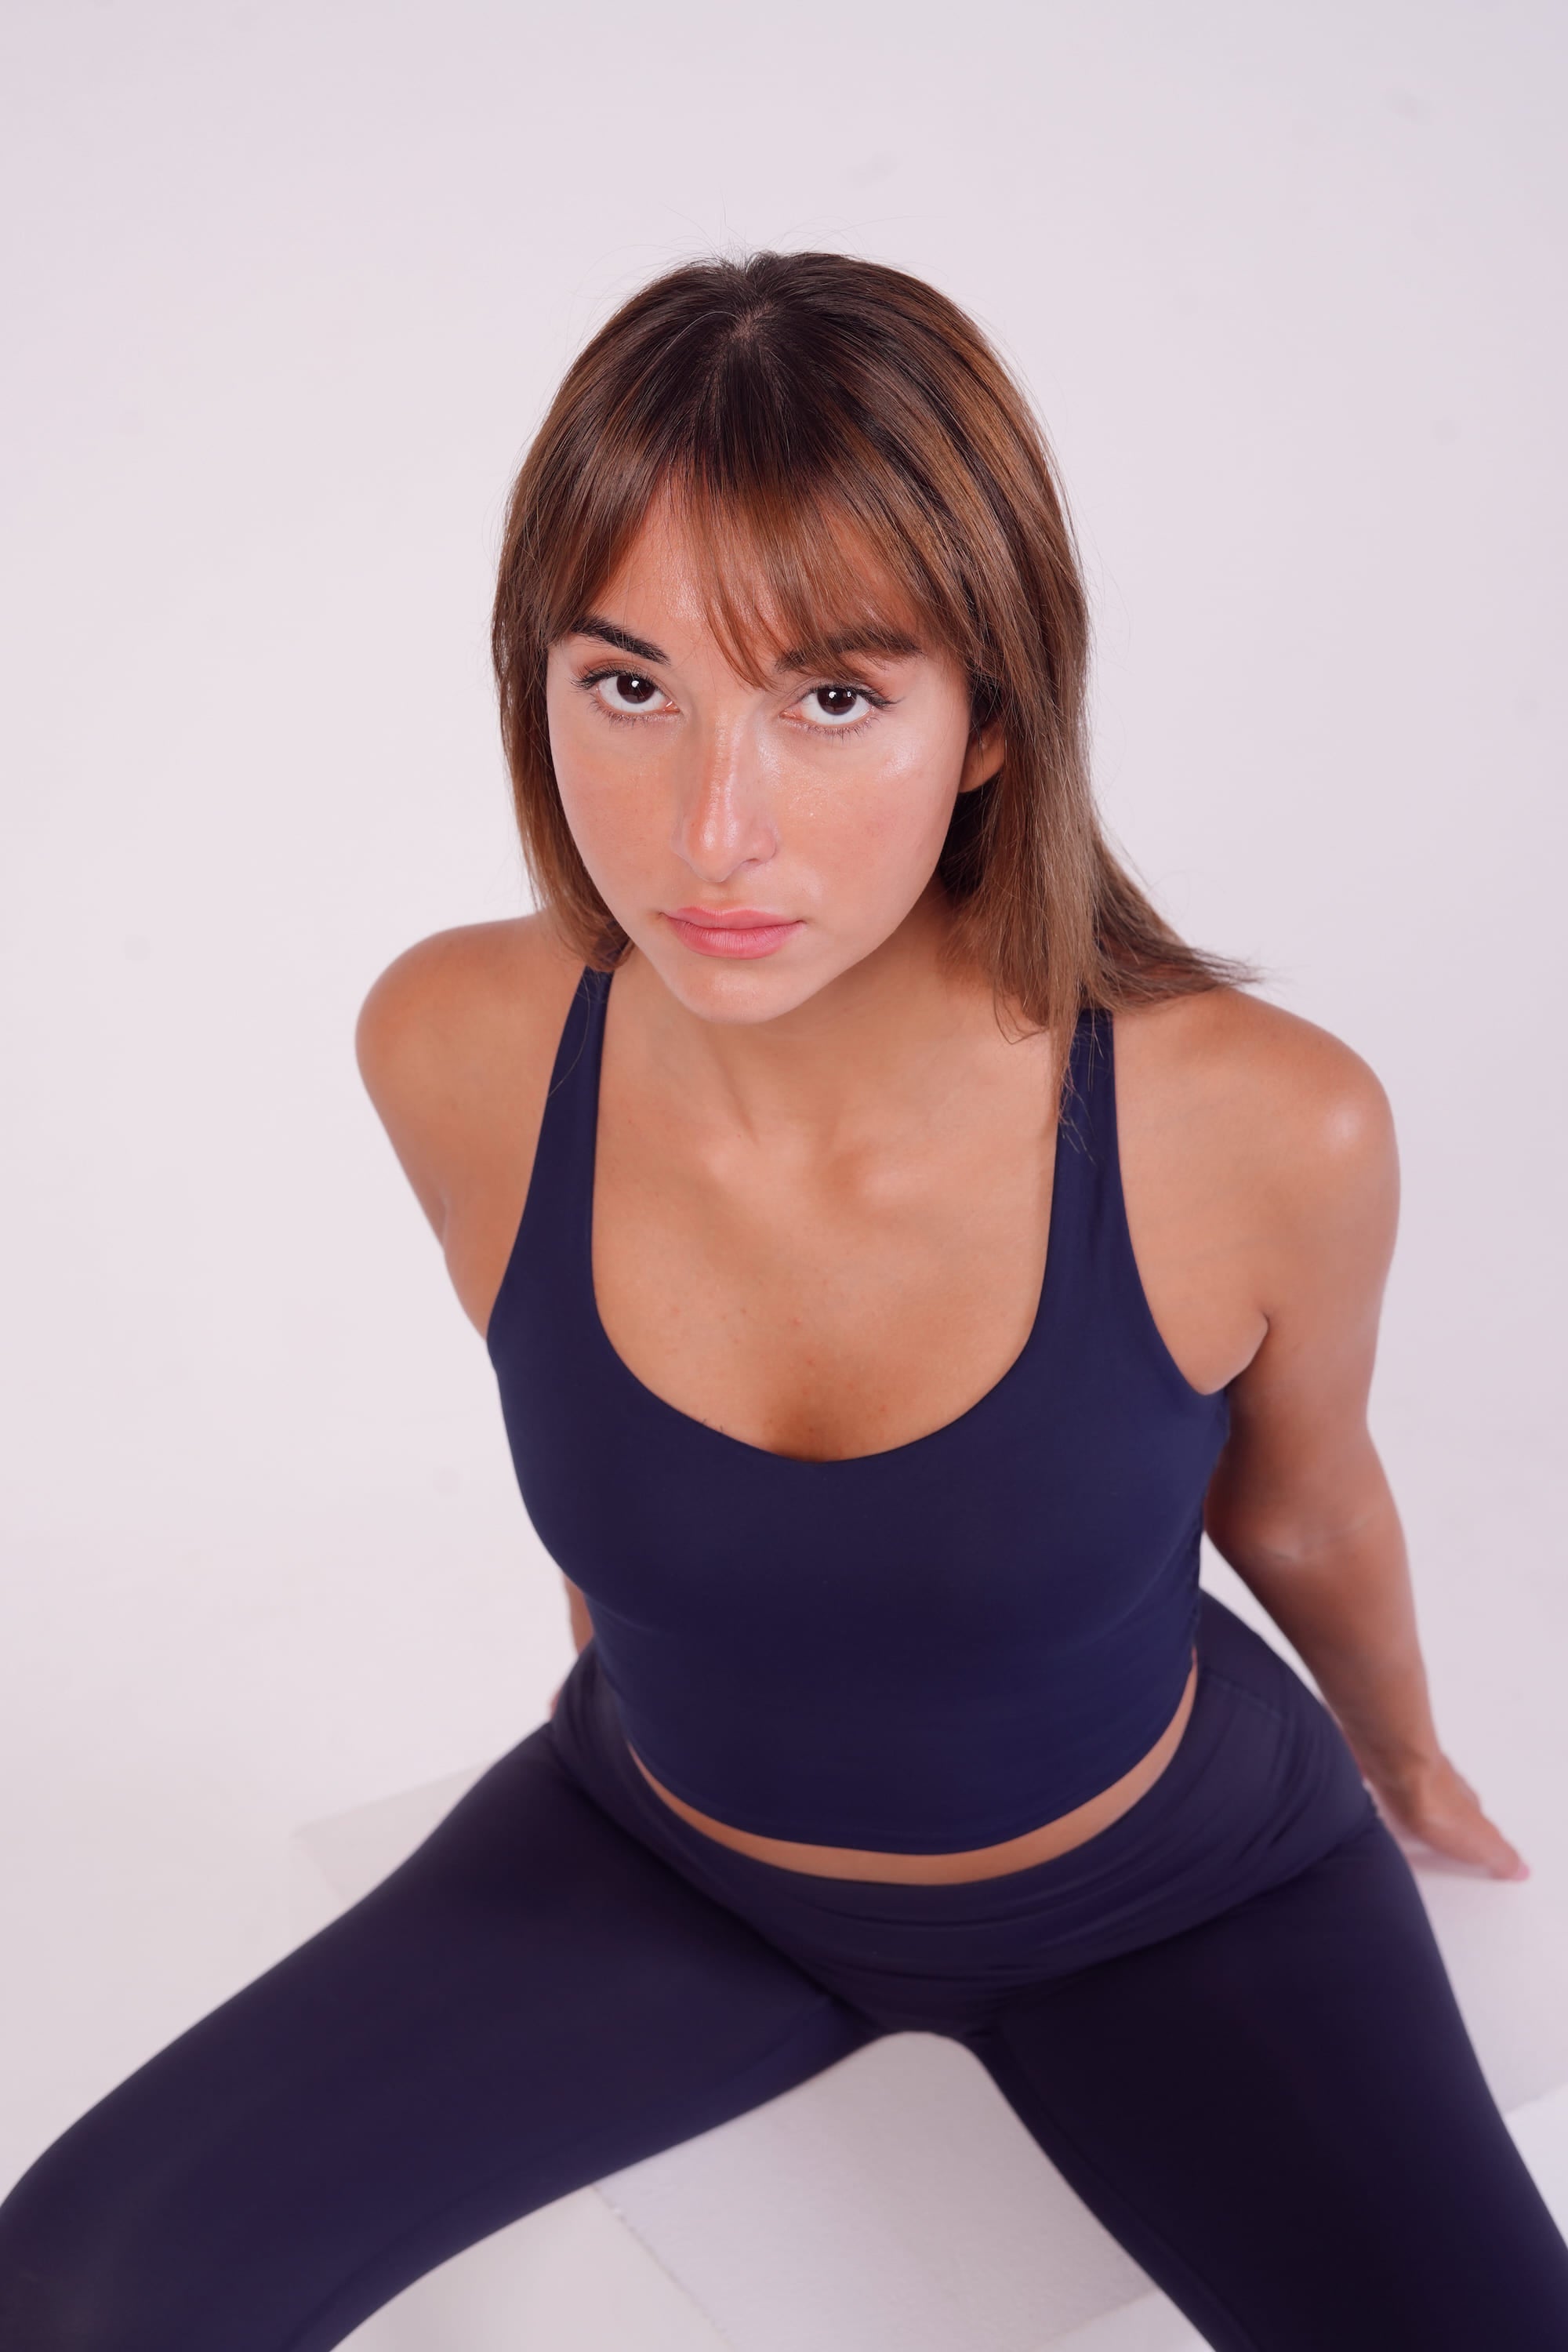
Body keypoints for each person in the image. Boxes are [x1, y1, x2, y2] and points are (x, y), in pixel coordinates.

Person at [2, 249, 1565, 2352]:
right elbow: (631, 1507)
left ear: (992, 718)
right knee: (74, 2293)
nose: (710, 828)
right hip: (665, 1863)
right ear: (531, 685)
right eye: (627, 686)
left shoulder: (1261, 1125)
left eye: (833, 696)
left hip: (1175, 1904)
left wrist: (1407, 1757)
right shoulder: (457, 1044)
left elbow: (1295, 1510)